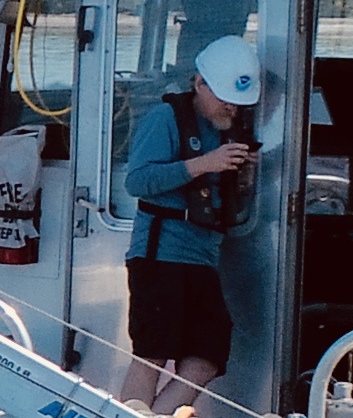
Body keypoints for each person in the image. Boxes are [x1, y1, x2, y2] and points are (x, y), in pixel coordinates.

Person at [111, 35, 262, 398]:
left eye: (239, 103)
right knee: (152, 354)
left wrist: (242, 173)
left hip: (202, 255)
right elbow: (138, 181)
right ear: (199, 84)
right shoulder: (165, 119)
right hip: (160, 254)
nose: (232, 108)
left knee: (208, 355)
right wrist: (202, 165)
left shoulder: (227, 128)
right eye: (225, 99)